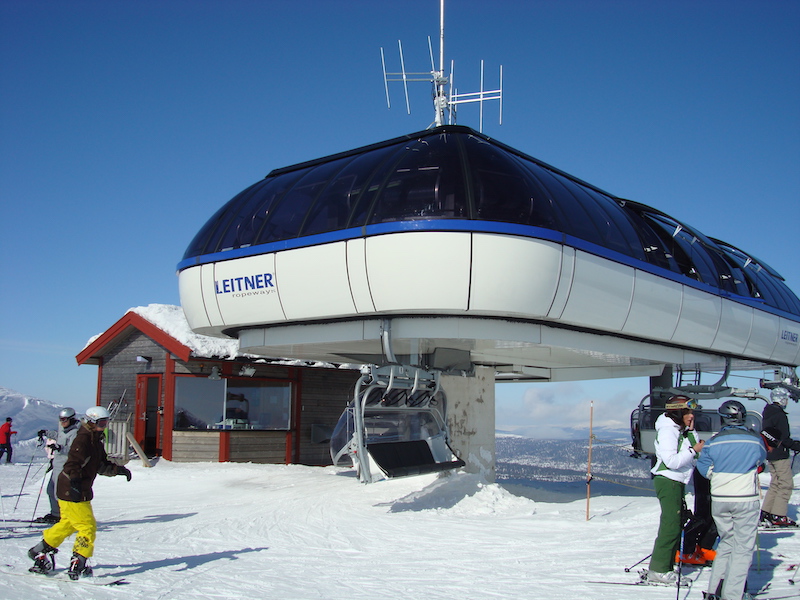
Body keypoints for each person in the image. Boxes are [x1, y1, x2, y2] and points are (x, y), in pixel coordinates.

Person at [27, 406, 132, 579]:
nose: (104, 426)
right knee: (87, 526)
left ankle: (39, 550)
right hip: (72, 489)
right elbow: (72, 464)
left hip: (71, 488)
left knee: (68, 523)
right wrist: (74, 483)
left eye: (106, 422)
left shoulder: (95, 439)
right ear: (91, 422)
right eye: (101, 422)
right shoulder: (83, 439)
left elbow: (100, 464)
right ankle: (79, 562)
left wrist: (119, 470)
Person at [697, 400, 769, 600]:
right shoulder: (754, 440)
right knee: (743, 548)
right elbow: (760, 460)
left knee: (727, 543)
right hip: (745, 497)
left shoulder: (713, 441)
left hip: (720, 498)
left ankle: (714, 591)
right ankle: (732, 595)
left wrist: (719, 478)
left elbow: (704, 468)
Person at [643, 395, 705, 586]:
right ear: (678, 412)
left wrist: (692, 431)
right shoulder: (668, 430)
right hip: (668, 480)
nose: (691, 415)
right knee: (670, 525)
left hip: (676, 481)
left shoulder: (679, 429)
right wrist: (693, 451)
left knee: (676, 523)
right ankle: (659, 569)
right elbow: (672, 461)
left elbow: (695, 446)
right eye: (687, 412)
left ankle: (666, 567)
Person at [760, 387, 800, 527]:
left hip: (770, 453)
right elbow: (785, 439)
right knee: (786, 484)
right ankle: (778, 515)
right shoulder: (780, 415)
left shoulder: (768, 413)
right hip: (780, 454)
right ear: (781, 399)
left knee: (775, 483)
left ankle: (766, 511)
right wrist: (796, 446)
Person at [34, 407, 80, 524]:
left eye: (64, 420)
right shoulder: (63, 427)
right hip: (57, 464)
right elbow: (59, 436)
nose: (62, 422)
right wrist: (46, 433)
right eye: (60, 419)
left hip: (65, 466)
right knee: (50, 490)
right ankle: (55, 514)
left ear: (71, 419)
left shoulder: (75, 432)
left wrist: (60, 448)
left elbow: (74, 449)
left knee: (59, 493)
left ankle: (64, 516)